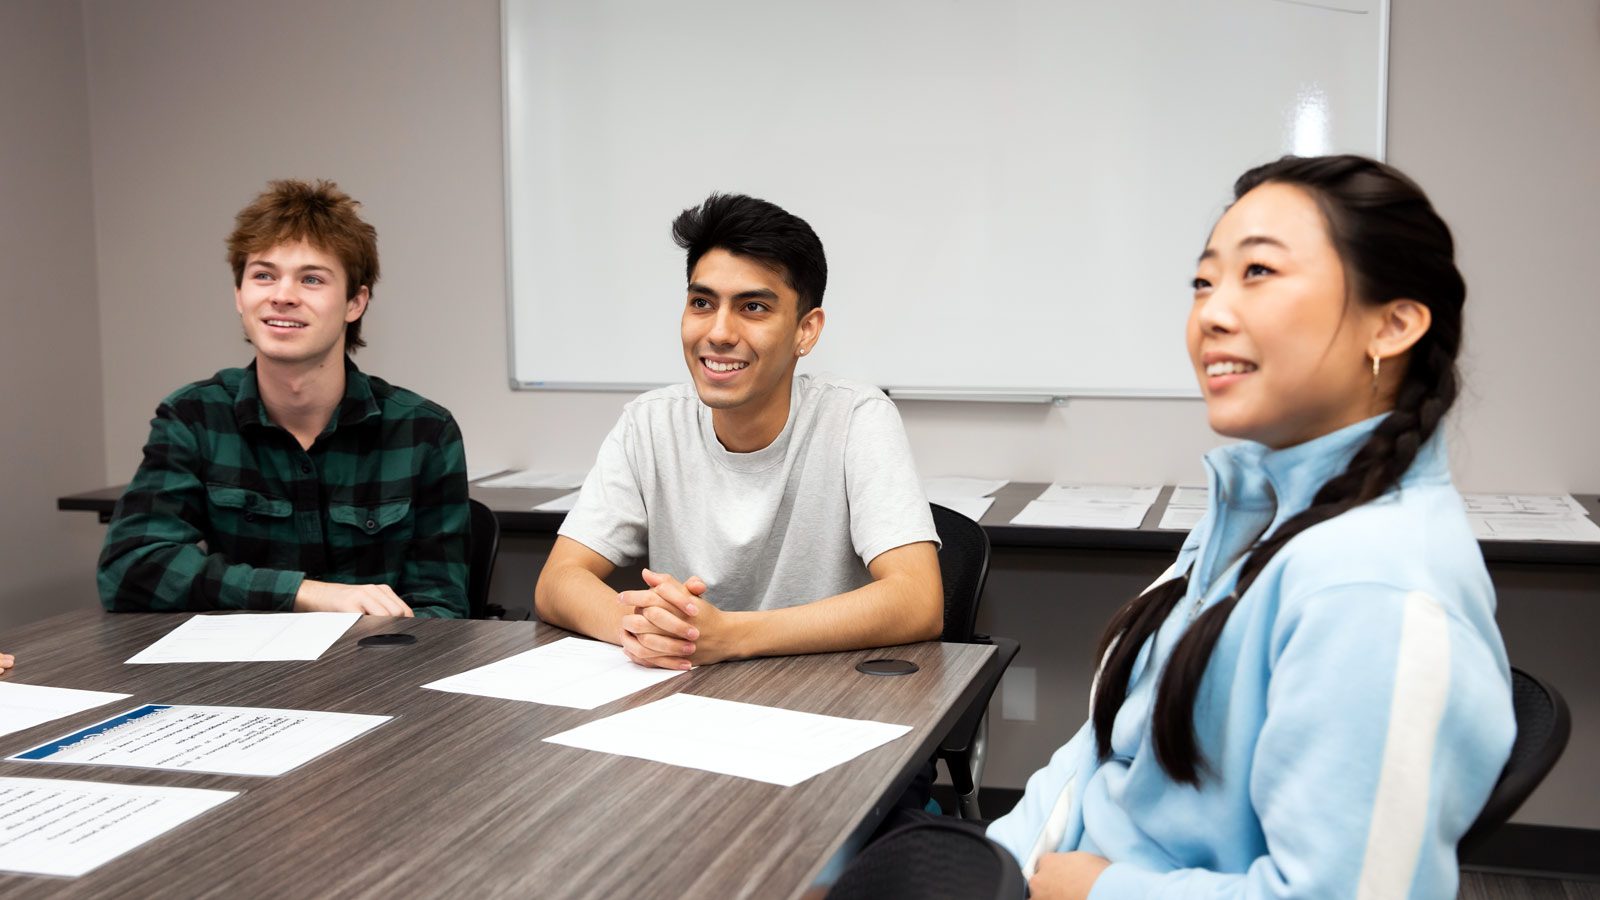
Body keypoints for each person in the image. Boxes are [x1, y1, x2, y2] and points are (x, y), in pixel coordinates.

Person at [987, 155, 1514, 899]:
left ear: (1393, 324)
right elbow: (1104, 754)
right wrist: (994, 867)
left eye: (1258, 273)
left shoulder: (1372, 584)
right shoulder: (1252, 510)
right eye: (1204, 282)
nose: (1211, 313)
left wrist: (1101, 893)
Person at [535, 193, 943, 669]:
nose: (720, 332)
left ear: (805, 331)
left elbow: (918, 599)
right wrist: (646, 630)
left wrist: (730, 635)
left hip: (821, 696)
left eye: (753, 307)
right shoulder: (650, 422)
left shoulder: (855, 417)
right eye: (702, 302)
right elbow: (557, 581)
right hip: (684, 693)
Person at [97, 179, 469, 618]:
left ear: (355, 302)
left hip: (372, 673)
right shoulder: (195, 417)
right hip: (239, 679)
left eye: (311, 279)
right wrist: (304, 593)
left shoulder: (423, 430)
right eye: (263, 275)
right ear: (239, 296)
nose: (282, 296)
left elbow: (442, 609)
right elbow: (128, 569)